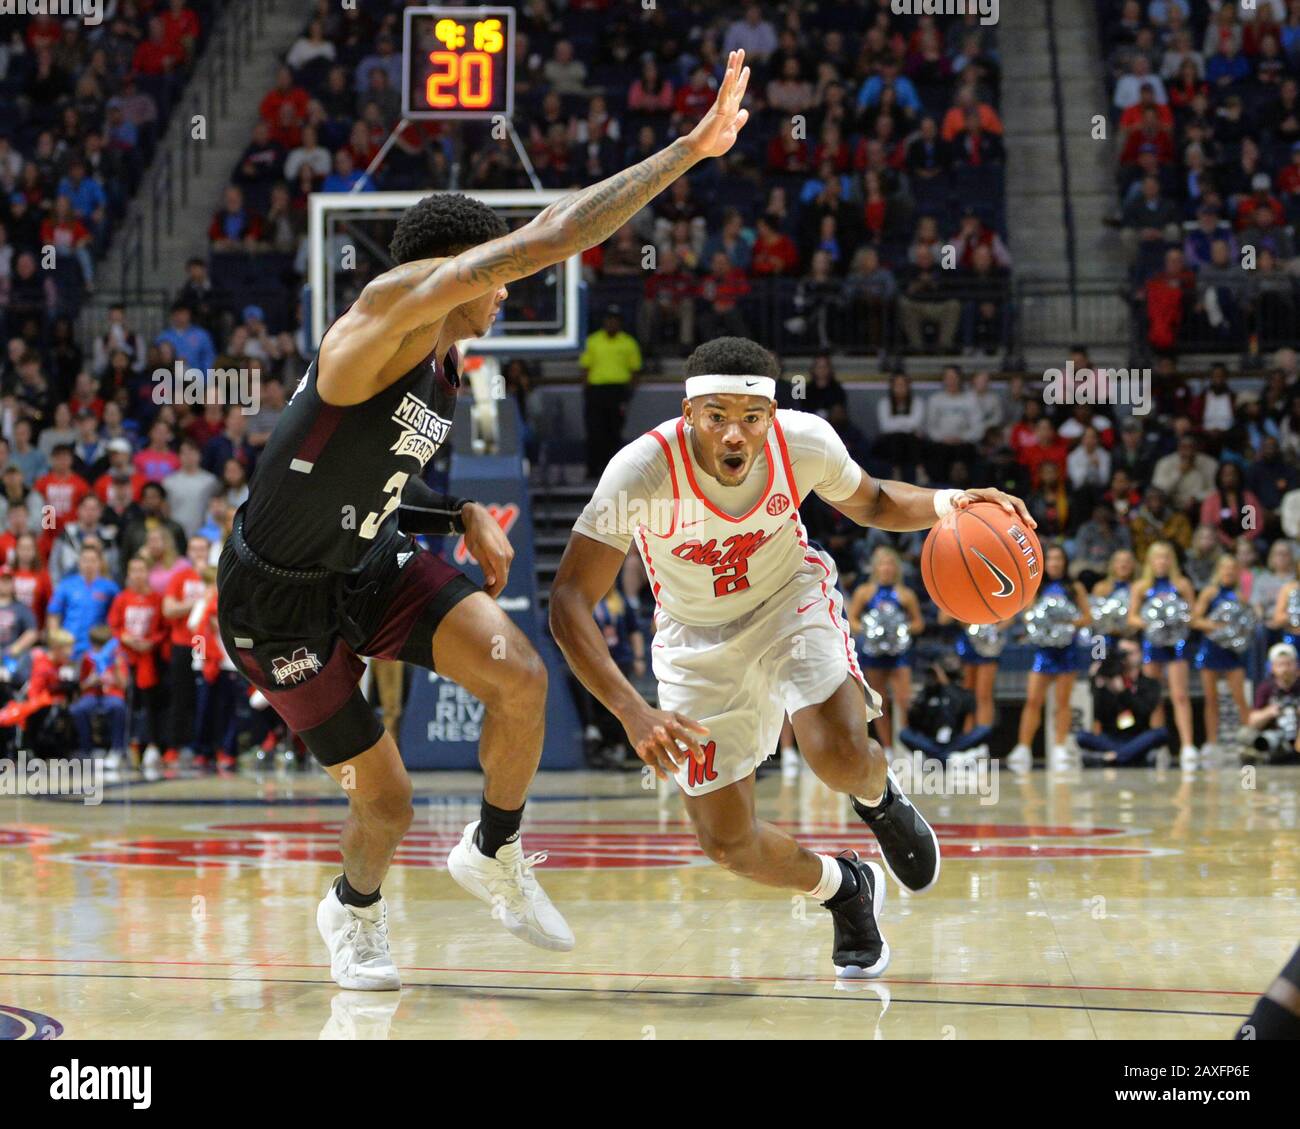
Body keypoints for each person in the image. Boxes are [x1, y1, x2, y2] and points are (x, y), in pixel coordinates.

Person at [214, 51, 755, 991]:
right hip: (277, 601)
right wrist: (688, 150)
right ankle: (354, 910)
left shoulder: (443, 365)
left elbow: (361, 480)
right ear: (450, 273)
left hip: (366, 559)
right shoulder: (382, 317)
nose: (507, 293)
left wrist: (460, 510)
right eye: (493, 275)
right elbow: (554, 232)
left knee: (517, 674)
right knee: (384, 797)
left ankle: (494, 850)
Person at [549, 335, 1034, 977]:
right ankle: (843, 888)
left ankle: (880, 799)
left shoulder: (803, 443)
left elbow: (876, 502)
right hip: (695, 640)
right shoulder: (641, 471)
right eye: (717, 415)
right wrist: (632, 712)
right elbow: (569, 601)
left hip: (787, 600)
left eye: (751, 418)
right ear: (688, 414)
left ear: (770, 419)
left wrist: (954, 502)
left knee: (835, 754)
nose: (734, 435)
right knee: (727, 843)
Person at [1009, 545, 1092, 771]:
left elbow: (1087, 618)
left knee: (1063, 702)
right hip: (1043, 650)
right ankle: (1023, 748)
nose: (1055, 563)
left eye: (1059, 558)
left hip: (1067, 649)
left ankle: (1060, 748)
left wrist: (1064, 622)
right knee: (1033, 700)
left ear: (1065, 562)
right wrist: (1041, 621)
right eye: (1051, 559)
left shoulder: (1074, 588)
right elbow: (1026, 616)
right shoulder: (1036, 586)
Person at [847, 546, 923, 757]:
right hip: (873, 655)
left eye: (891, 564)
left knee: (903, 699)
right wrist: (869, 629)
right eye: (883, 563)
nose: (887, 568)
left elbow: (919, 623)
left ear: (896, 568)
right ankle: (887, 748)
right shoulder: (865, 592)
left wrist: (901, 629)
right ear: (875, 567)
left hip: (899, 655)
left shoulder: (905, 594)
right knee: (880, 702)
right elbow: (851, 619)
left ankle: (906, 745)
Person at [1128, 540, 1199, 764]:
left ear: (1172, 561)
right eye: (1157, 557)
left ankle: (1187, 746)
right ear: (1150, 561)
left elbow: (1193, 616)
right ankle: (1159, 747)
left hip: (1176, 645)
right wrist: (1150, 621)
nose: (1162, 562)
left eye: (1166, 557)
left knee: (1180, 695)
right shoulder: (1140, 586)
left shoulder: (1182, 584)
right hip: (1152, 645)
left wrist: (1176, 620)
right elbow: (1132, 617)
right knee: (1154, 697)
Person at [1190, 554, 1253, 749]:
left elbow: (1247, 621)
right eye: (1225, 568)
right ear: (1219, 570)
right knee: (1211, 699)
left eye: (1232, 568)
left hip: (1233, 651)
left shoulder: (1241, 596)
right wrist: (1217, 626)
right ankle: (1211, 742)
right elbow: (1195, 620)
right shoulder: (1209, 593)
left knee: (1239, 697)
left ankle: (1247, 741)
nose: (1228, 572)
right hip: (1211, 649)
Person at [1076, 637, 1169, 767]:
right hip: (1110, 738)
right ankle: (1129, 756)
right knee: (1081, 736)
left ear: (1140, 654)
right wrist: (1096, 685)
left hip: (1137, 737)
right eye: (1123, 653)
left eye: (1131, 653)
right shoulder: (1107, 678)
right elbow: (1098, 715)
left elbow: (1144, 711)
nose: (1127, 658)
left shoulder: (1150, 684)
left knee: (1160, 733)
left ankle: (1108, 758)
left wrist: (1123, 692)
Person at [898, 652, 993, 764]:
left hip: (955, 740)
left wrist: (945, 684)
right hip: (931, 740)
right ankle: (950, 757)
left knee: (984, 730)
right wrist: (913, 707)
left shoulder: (958, 692)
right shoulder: (927, 692)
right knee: (904, 734)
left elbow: (961, 705)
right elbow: (915, 721)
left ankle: (938, 757)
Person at [1240, 642, 1300, 765]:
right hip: (1275, 736)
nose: (1285, 669)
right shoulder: (1266, 688)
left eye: (1288, 664)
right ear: (1272, 667)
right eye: (1280, 665)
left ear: (1296, 665)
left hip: (1297, 733)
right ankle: (1263, 756)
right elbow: (1252, 720)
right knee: (1244, 734)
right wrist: (1269, 712)